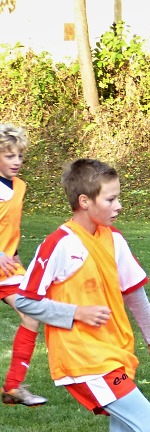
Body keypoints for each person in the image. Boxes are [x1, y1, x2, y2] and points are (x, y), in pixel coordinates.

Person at [18, 159, 150, 432]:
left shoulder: (113, 238)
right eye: (112, 198)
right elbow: (26, 299)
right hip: (83, 358)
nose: (119, 205)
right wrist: (76, 312)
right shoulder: (59, 244)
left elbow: (134, 291)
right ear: (85, 201)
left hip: (114, 353)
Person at [0, 124, 47, 406]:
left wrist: (15, 255)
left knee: (32, 313)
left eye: (19, 156)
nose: (16, 162)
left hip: (7, 268)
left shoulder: (19, 187)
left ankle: (13, 387)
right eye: (9, 156)